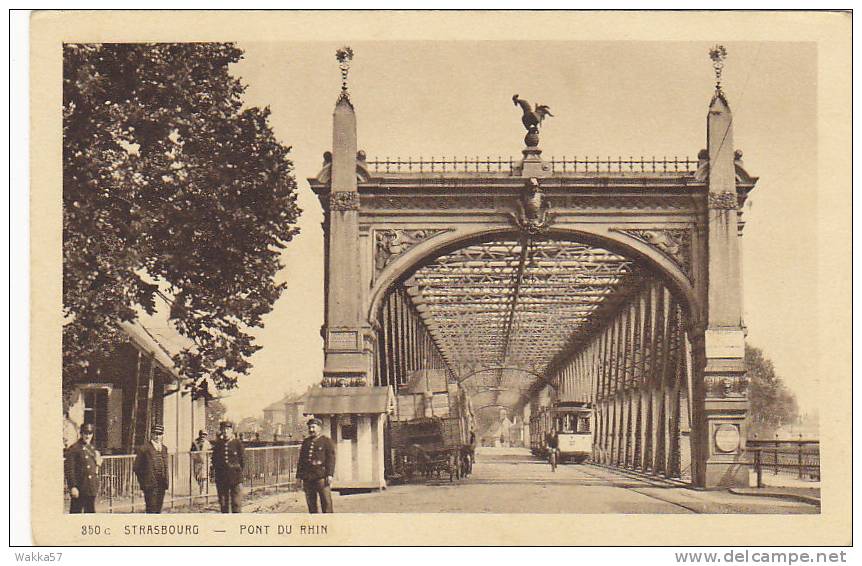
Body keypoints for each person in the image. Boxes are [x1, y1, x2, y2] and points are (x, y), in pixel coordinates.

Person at [296, 418, 335, 513]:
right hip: (308, 478)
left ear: (319, 428)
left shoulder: (326, 441)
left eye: (313, 427)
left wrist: (330, 474)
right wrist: (298, 477)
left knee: (326, 502)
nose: (311, 430)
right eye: (310, 427)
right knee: (311, 503)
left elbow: (331, 459)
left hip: (321, 477)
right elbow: (301, 460)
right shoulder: (306, 442)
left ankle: (330, 523)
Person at [65, 423, 102, 513]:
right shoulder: (74, 448)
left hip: (91, 487)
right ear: (81, 433)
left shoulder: (92, 448)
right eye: (85, 433)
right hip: (80, 487)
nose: (88, 436)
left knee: (90, 513)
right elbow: (70, 469)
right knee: (76, 513)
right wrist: (73, 486)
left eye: (90, 433)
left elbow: (95, 468)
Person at [133, 423, 170, 513]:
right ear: (151, 434)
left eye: (159, 434)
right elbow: (136, 468)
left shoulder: (164, 448)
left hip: (162, 483)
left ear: (162, 435)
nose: (157, 436)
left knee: (158, 509)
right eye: (155, 434)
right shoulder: (144, 448)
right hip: (150, 485)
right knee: (151, 509)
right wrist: (144, 483)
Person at [212, 421, 245, 513]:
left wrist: (239, 473)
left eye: (228, 429)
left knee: (236, 503)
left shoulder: (237, 443)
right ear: (221, 431)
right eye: (223, 429)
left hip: (235, 478)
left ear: (231, 431)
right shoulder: (218, 445)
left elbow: (242, 460)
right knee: (223, 504)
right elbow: (214, 461)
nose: (225, 431)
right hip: (222, 478)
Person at [189, 430, 211, 495]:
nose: (203, 436)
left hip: (205, 462)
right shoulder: (195, 442)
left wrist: (208, 459)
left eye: (204, 435)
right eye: (202, 434)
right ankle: (201, 487)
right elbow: (191, 452)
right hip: (197, 462)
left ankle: (202, 491)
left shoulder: (207, 443)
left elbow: (210, 452)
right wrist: (195, 458)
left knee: (204, 477)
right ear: (199, 435)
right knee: (197, 477)